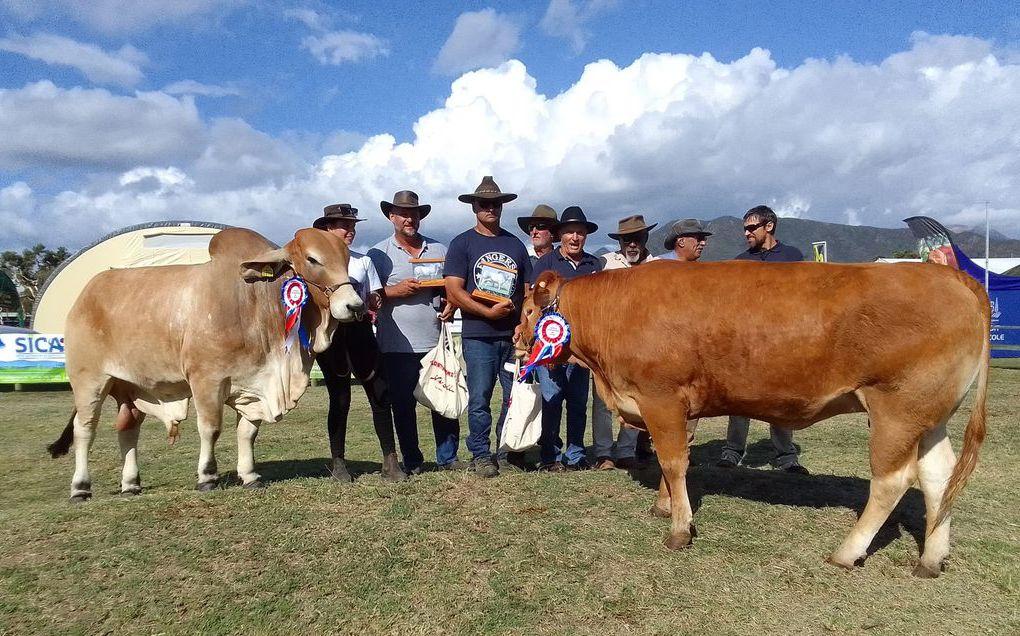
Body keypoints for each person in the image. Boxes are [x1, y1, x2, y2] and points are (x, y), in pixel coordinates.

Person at [368, 190, 463, 474]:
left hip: (435, 340)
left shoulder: (440, 250)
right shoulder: (377, 253)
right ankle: (413, 459)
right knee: (403, 406)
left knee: (443, 398)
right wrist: (393, 291)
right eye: (403, 213)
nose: (410, 218)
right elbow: (369, 295)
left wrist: (452, 304)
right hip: (396, 345)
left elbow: (452, 288)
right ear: (391, 216)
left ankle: (448, 457)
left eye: (414, 213)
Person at [443, 177, 532, 478]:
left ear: (502, 206)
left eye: (496, 203)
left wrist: (522, 324)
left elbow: (527, 291)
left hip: (512, 336)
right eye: (485, 204)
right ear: (475, 207)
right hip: (478, 335)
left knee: (512, 396)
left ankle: (507, 449)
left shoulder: (515, 244)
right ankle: (481, 453)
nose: (491, 208)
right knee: (480, 398)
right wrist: (487, 313)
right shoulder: (461, 243)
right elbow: (454, 291)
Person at [312, 203, 406, 483]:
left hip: (361, 331)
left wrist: (374, 301)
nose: (350, 230)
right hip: (333, 335)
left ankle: (390, 460)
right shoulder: (316, 265)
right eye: (344, 225)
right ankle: (338, 462)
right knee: (339, 398)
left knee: (380, 394)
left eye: (353, 225)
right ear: (328, 228)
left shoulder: (363, 261)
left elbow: (375, 296)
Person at [718, 204, 809, 474]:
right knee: (738, 398)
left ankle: (785, 456)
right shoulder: (739, 262)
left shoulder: (792, 257)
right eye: (744, 228)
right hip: (746, 344)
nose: (746, 233)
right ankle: (732, 452)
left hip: (782, 341)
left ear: (769, 226)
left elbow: (803, 297)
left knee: (782, 398)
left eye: (751, 228)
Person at [529, 206, 602, 471]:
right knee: (552, 399)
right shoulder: (545, 263)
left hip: (582, 348)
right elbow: (534, 302)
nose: (575, 237)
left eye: (580, 232)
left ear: (585, 236)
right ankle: (550, 455)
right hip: (551, 346)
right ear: (560, 235)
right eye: (570, 232)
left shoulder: (595, 264)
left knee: (578, 402)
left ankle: (576, 454)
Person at [591, 214, 660, 470]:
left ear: (645, 239)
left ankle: (627, 450)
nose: (632, 244)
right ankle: (603, 453)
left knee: (637, 399)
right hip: (607, 347)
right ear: (620, 242)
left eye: (637, 238)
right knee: (602, 401)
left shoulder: (658, 267)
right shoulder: (604, 264)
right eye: (627, 239)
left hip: (643, 348)